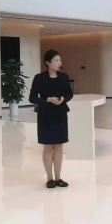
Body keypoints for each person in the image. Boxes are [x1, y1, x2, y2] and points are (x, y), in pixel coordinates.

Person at [29, 50, 74, 189]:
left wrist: (63, 99)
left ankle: (58, 177)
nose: (59, 63)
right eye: (56, 60)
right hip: (45, 115)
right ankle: (50, 178)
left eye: (60, 60)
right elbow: (32, 98)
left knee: (59, 146)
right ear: (47, 62)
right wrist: (47, 99)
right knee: (48, 147)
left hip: (60, 114)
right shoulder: (39, 78)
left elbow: (69, 94)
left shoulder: (64, 77)